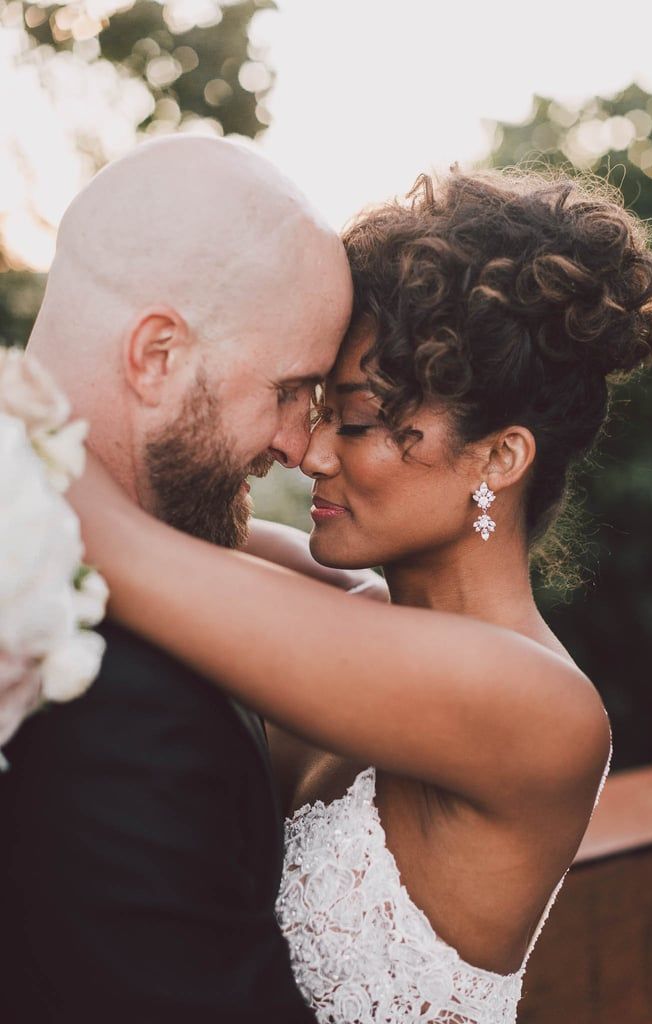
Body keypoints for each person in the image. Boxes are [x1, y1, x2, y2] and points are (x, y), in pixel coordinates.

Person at [67, 168, 652, 1023]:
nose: (310, 453)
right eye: (312, 409)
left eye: (354, 421)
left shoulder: (538, 710)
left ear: (498, 458)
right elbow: (145, 504)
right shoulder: (343, 605)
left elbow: (110, 537)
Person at [0, 134, 373, 1023]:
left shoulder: (105, 576)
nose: (296, 442)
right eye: (290, 387)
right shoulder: (117, 700)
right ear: (157, 355)